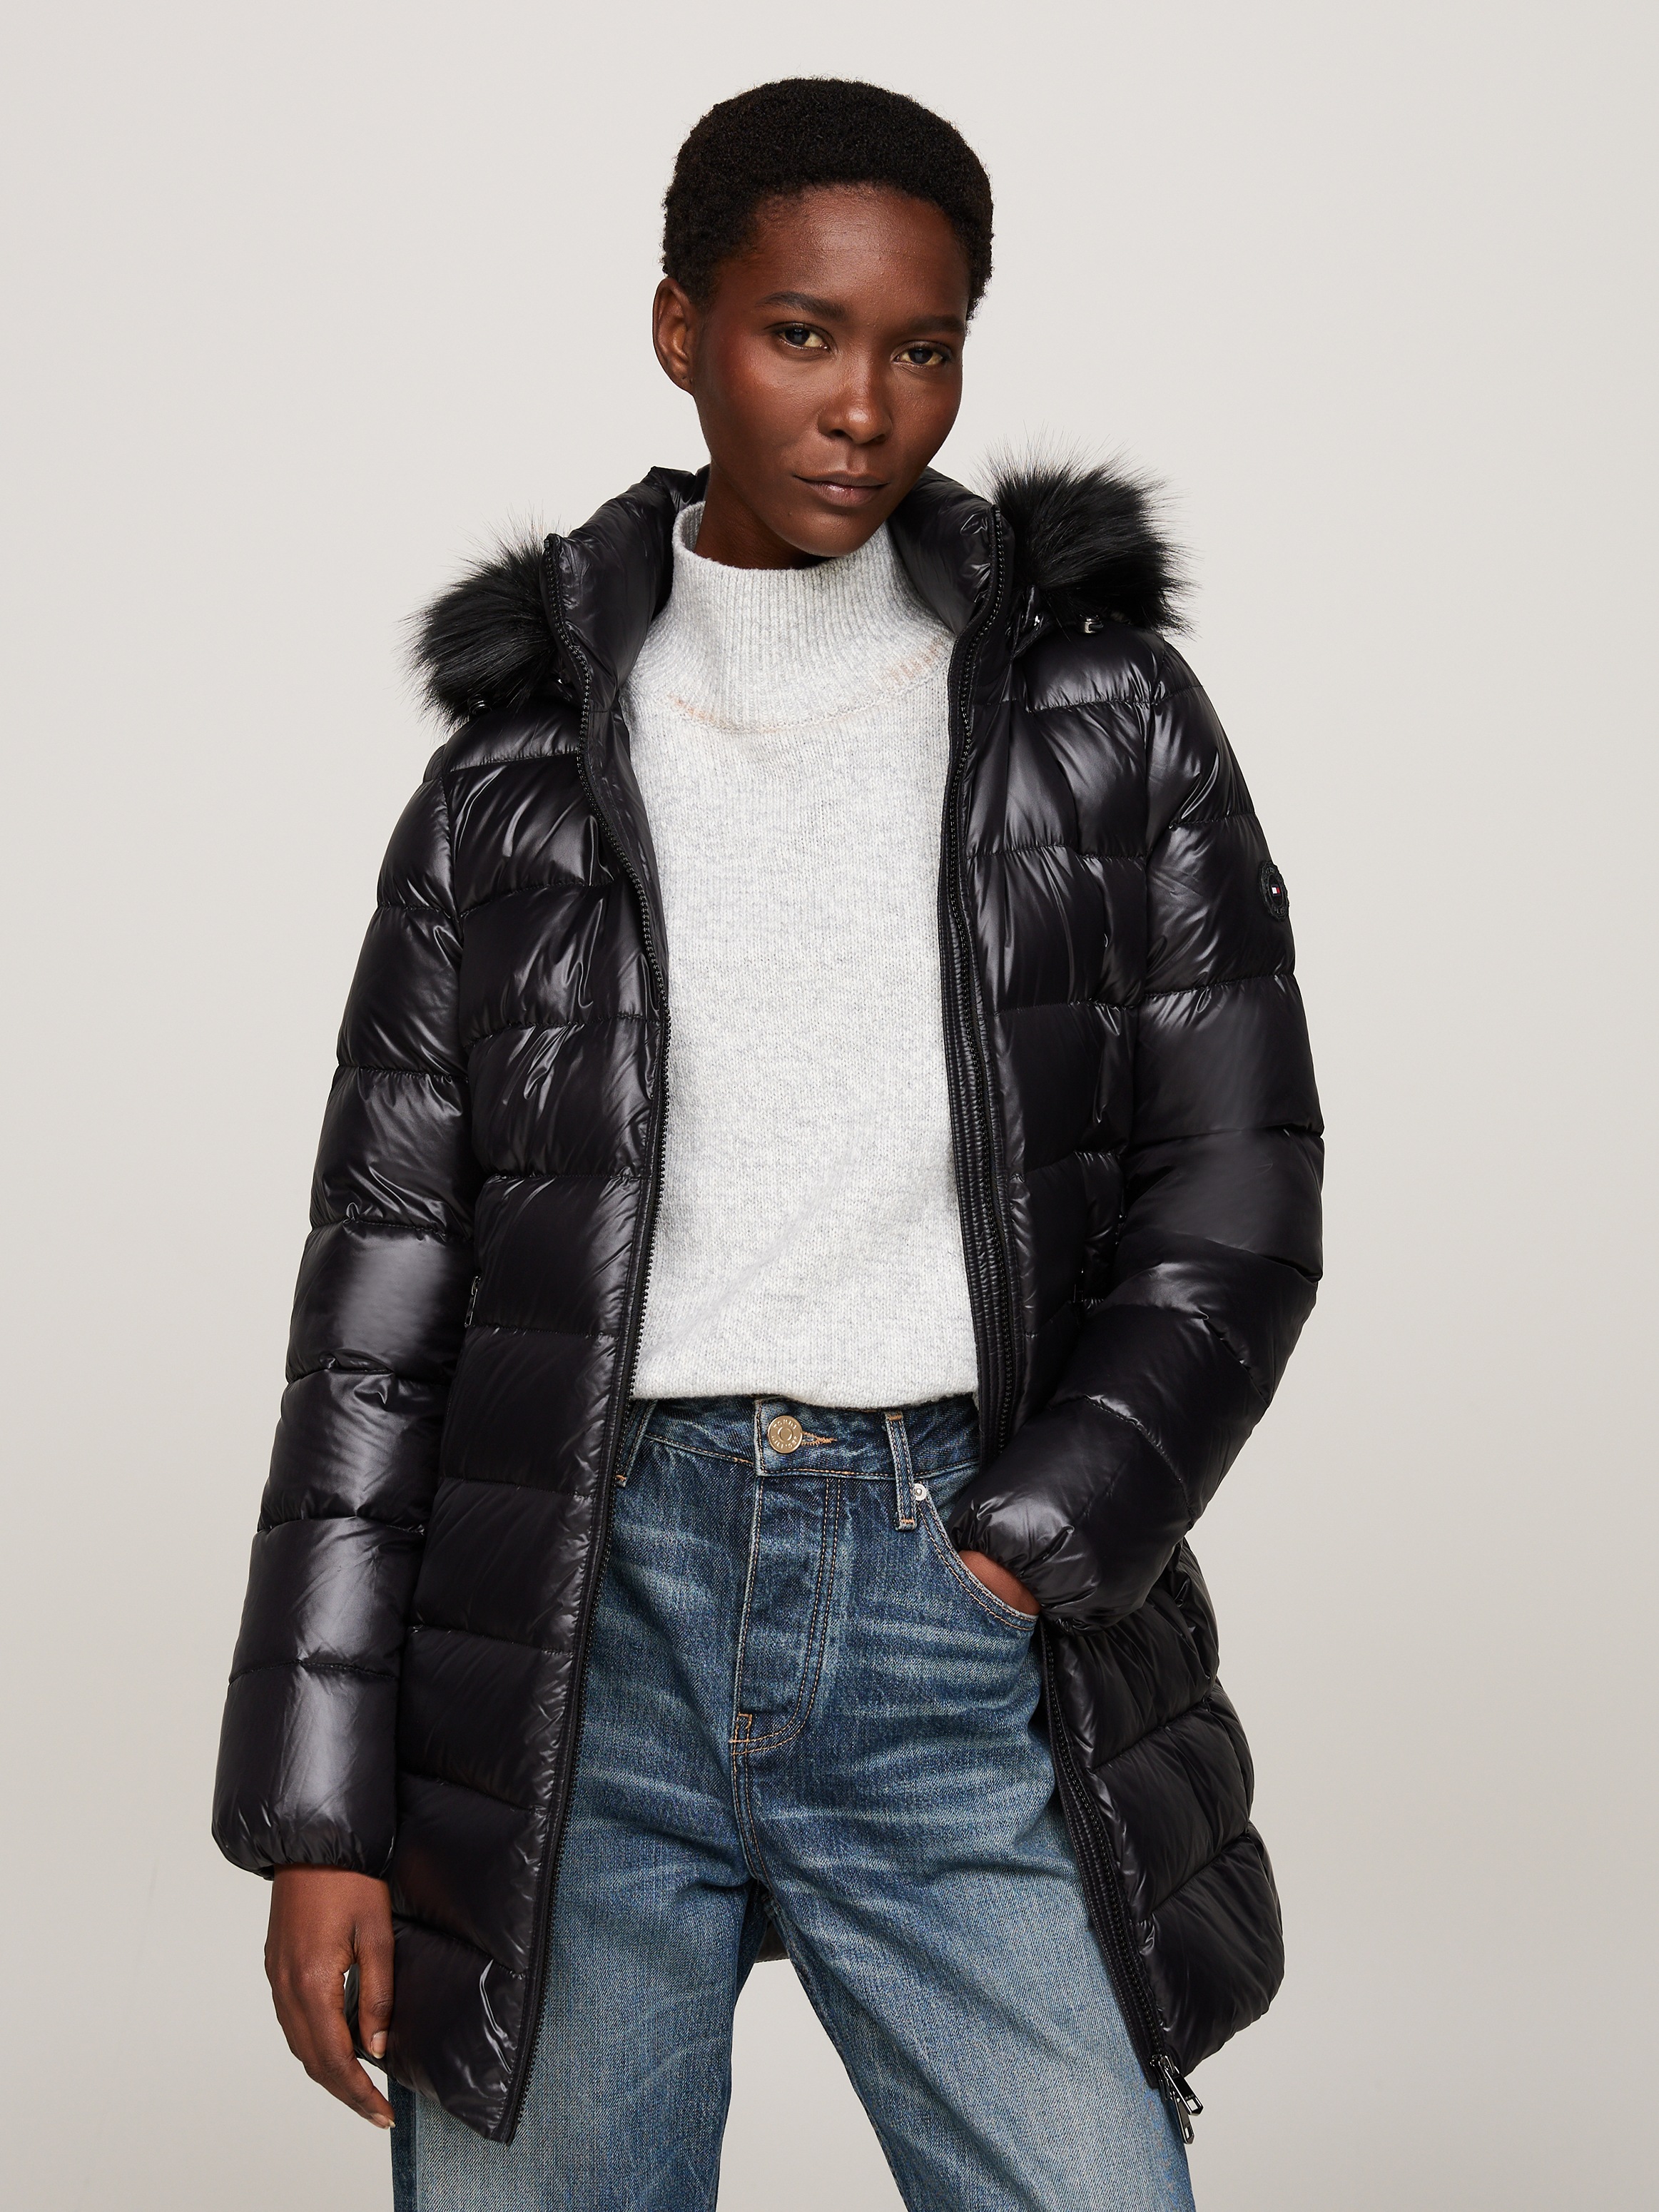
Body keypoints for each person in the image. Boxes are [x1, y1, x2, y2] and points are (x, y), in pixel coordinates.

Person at [213, 77, 1322, 2212]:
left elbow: (1236, 1204)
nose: (863, 407)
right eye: (801, 334)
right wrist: (320, 1813)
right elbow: (379, 1312)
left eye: (925, 348)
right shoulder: (511, 781)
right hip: (570, 1626)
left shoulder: (1105, 723)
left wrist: (1028, 1546)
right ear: (681, 330)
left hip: (946, 1595)